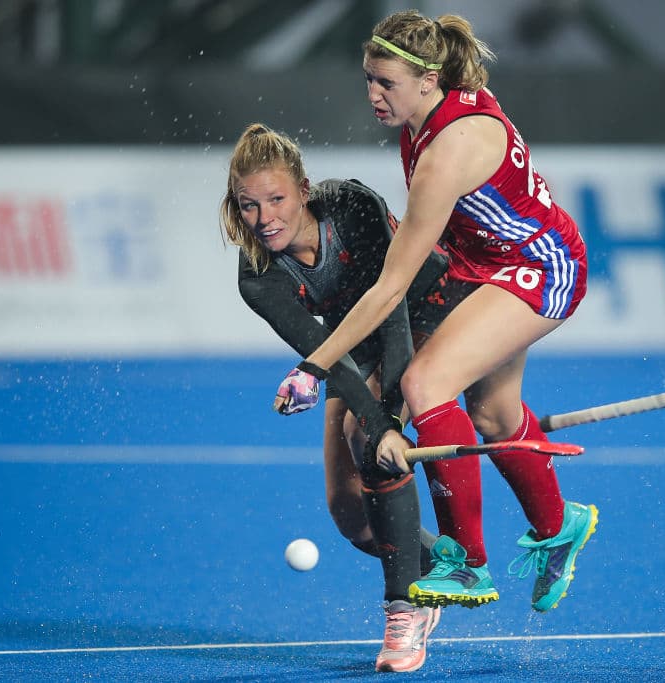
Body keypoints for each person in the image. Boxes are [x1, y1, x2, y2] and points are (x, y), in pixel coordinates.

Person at [294, 10, 599, 613]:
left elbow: (389, 289)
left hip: (539, 266)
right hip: (483, 263)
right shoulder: (428, 112)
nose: (373, 94)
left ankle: (466, 563)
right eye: (368, 79)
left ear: (429, 80)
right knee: (492, 414)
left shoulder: (445, 153)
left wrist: (315, 367)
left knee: (427, 383)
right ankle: (560, 526)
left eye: (387, 83)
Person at [219, 123, 448, 673]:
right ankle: (446, 564)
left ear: (303, 188)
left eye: (276, 199)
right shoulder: (259, 279)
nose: (265, 217)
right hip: (354, 337)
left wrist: (386, 418)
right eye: (249, 205)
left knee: (364, 434)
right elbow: (325, 356)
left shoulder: (351, 206)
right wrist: (376, 416)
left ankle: (404, 608)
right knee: (351, 514)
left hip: (430, 306)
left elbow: (391, 307)